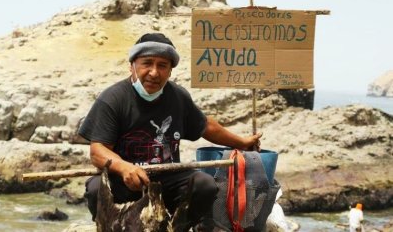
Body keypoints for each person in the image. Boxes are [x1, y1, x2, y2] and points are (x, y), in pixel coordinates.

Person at [78, 33, 262, 231]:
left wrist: (241, 143)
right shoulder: (113, 98)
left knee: (204, 185)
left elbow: (205, 126)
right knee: (96, 188)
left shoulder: (178, 96)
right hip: (125, 181)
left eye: (162, 65)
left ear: (170, 71)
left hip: (166, 180)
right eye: (147, 63)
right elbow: (98, 151)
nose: (154, 73)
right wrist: (124, 168)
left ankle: (176, 227)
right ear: (132, 65)